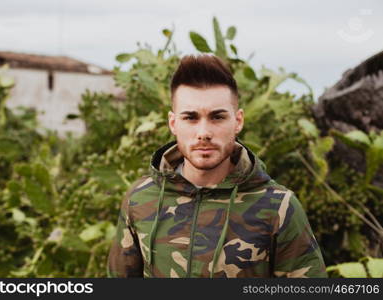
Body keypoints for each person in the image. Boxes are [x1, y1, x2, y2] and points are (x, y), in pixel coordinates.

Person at [107, 54, 327, 278]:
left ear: (238, 121)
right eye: (191, 118)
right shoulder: (139, 198)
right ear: (173, 123)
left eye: (217, 117)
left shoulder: (279, 207)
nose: (203, 133)